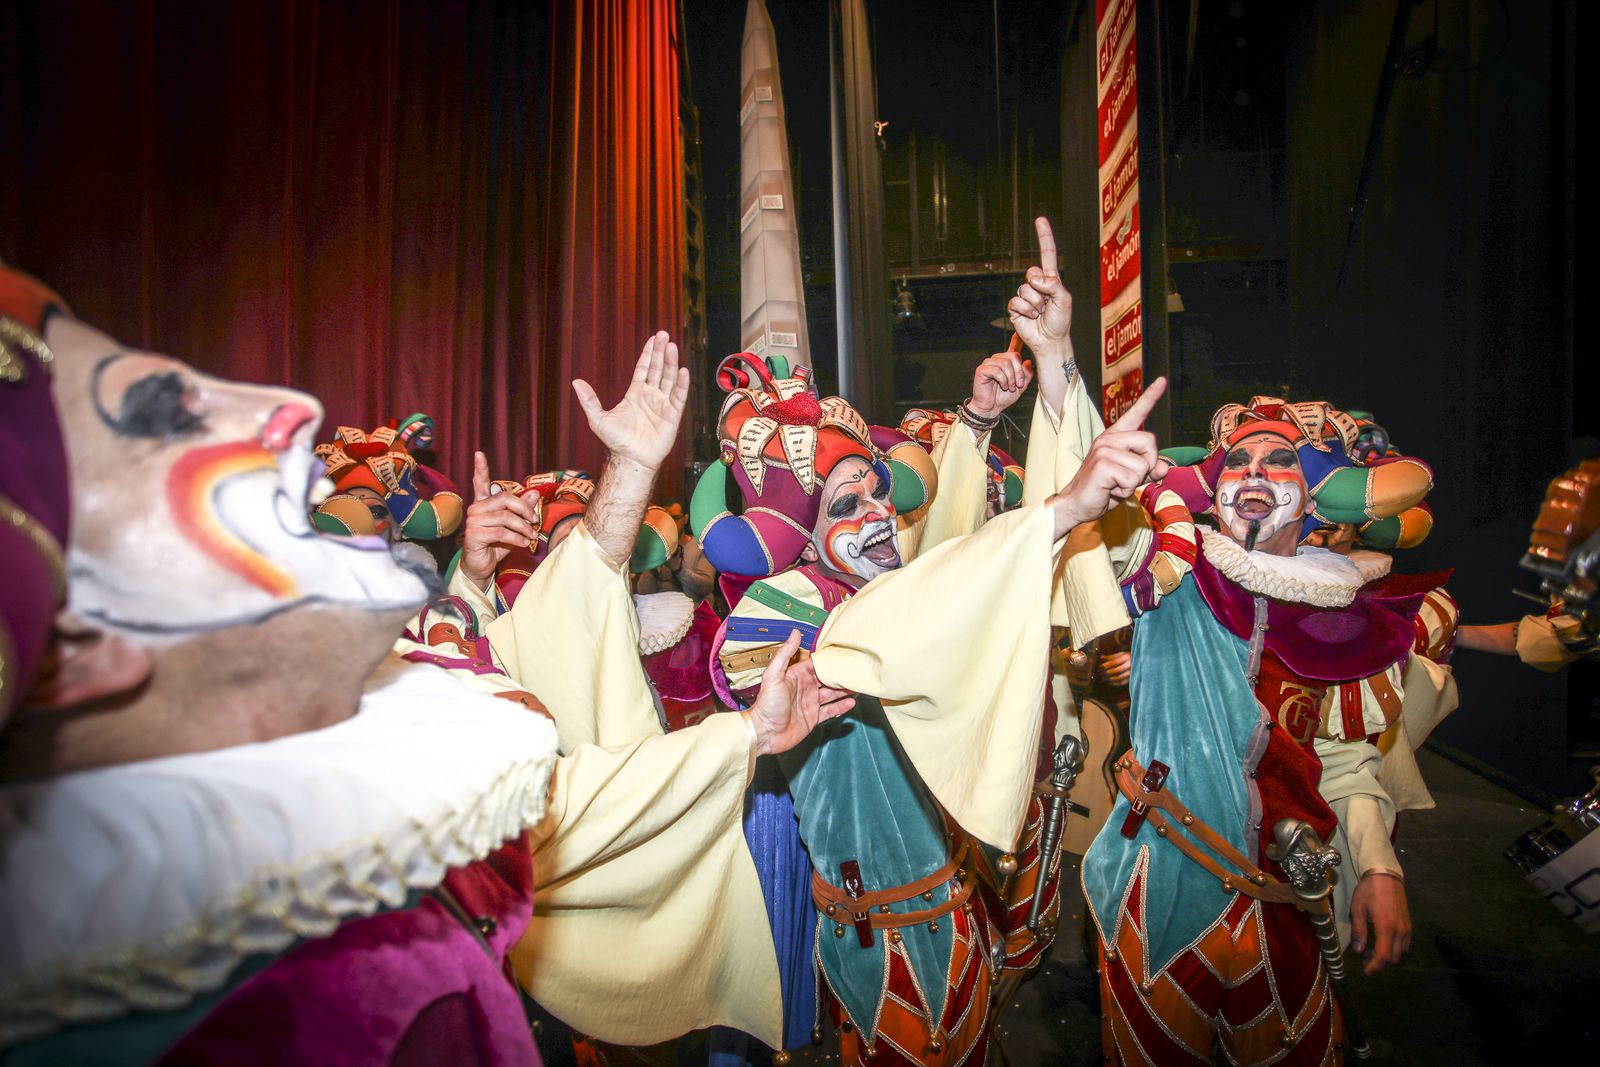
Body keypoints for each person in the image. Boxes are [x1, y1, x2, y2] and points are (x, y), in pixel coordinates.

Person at [0, 269, 849, 1064]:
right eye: (162, 417)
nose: (294, 411)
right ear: (93, 652)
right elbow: (548, 808)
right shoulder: (273, 927)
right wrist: (745, 735)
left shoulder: (364, 688)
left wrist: (616, 478)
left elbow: (543, 645)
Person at [693, 303, 1163, 1063]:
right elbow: (892, 622)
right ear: (800, 537)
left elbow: (949, 567)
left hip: (956, 917)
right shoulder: (782, 610)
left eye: (878, 493)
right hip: (883, 947)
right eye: (847, 507)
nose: (879, 514)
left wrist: (1047, 375)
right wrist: (1058, 510)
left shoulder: (892, 582)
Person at [1076, 394, 1434, 1065]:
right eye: (1237, 461)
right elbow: (1089, 535)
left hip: (1285, 896)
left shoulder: (1345, 613)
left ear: (1314, 496)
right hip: (1162, 882)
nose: (1255, 471)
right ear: (1215, 490)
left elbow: (1345, 761)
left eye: (1279, 460)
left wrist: (1378, 867)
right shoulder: (1173, 564)